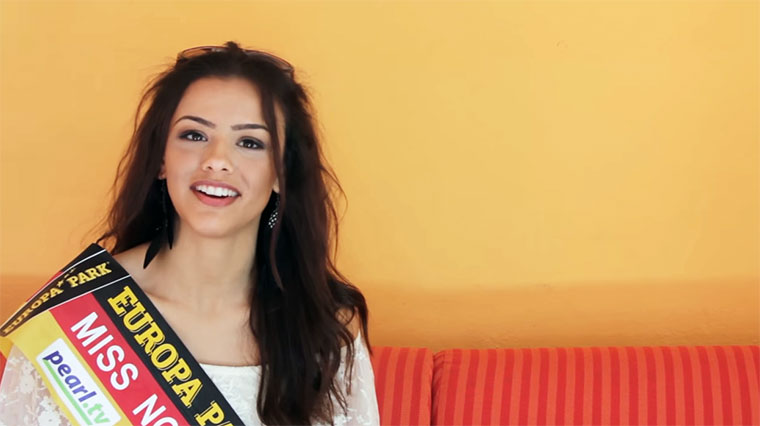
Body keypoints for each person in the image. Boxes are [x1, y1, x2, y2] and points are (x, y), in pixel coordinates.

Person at [0, 41, 380, 425]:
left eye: (250, 142)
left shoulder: (323, 328)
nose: (217, 160)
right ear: (161, 159)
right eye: (194, 135)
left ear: (281, 173)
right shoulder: (76, 313)